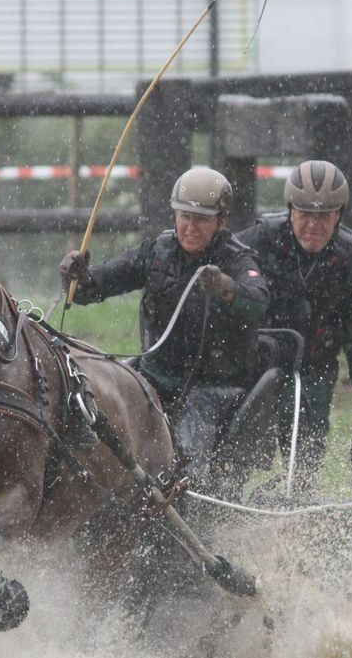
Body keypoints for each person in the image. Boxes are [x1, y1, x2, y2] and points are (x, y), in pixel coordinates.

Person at [59, 167, 270, 482]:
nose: (190, 227)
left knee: (186, 441)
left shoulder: (238, 259)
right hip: (153, 378)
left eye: (201, 219)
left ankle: (183, 493)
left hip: (213, 387)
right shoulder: (156, 253)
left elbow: (258, 301)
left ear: (221, 221)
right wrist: (78, 277)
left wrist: (228, 289)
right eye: (184, 216)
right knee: (102, 405)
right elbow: (95, 288)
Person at [237, 160, 352, 474]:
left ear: (339, 216)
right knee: (239, 446)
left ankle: (301, 502)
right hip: (251, 364)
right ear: (290, 210)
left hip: (313, 369)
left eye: (324, 216)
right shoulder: (256, 243)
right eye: (305, 214)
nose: (313, 225)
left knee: (306, 452)